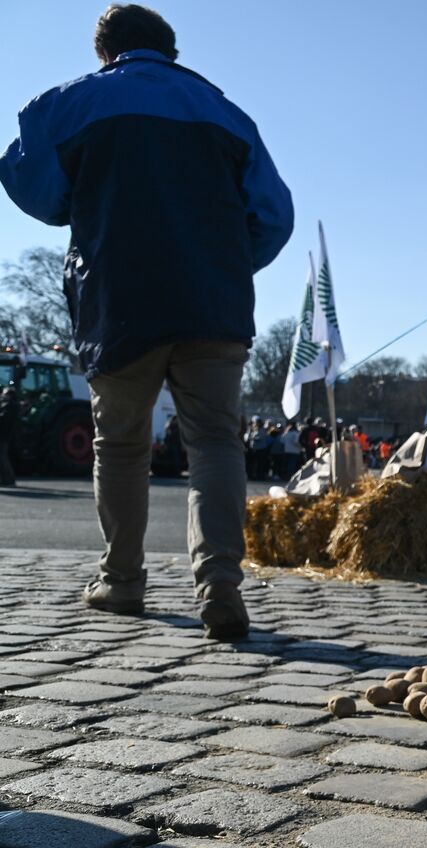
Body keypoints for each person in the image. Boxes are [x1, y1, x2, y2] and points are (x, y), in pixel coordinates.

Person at [0, 4, 294, 638]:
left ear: (106, 52)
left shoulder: (68, 104)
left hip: (119, 299)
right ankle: (219, 583)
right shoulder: (227, 113)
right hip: (212, 304)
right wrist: (224, 265)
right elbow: (274, 217)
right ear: (171, 50)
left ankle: (123, 581)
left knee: (120, 445)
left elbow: (32, 186)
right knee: (215, 442)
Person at [0, 384, 19, 487]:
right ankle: (5, 479)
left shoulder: (9, 406)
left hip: (3, 436)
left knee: (2, 458)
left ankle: (9, 479)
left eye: (4, 394)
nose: (2, 395)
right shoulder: (8, 405)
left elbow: (3, 419)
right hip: (4, 435)